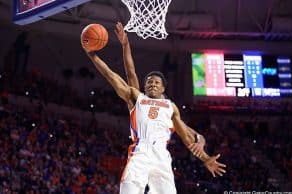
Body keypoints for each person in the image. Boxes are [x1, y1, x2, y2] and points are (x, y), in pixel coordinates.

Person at [81, 28, 226, 194]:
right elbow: (115, 75)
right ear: (145, 87)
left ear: (163, 88)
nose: (152, 84)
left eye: (156, 82)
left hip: (161, 157)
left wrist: (205, 157)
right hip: (140, 152)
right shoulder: (137, 98)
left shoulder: (171, 107)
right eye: (149, 82)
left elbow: (187, 136)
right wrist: (94, 54)